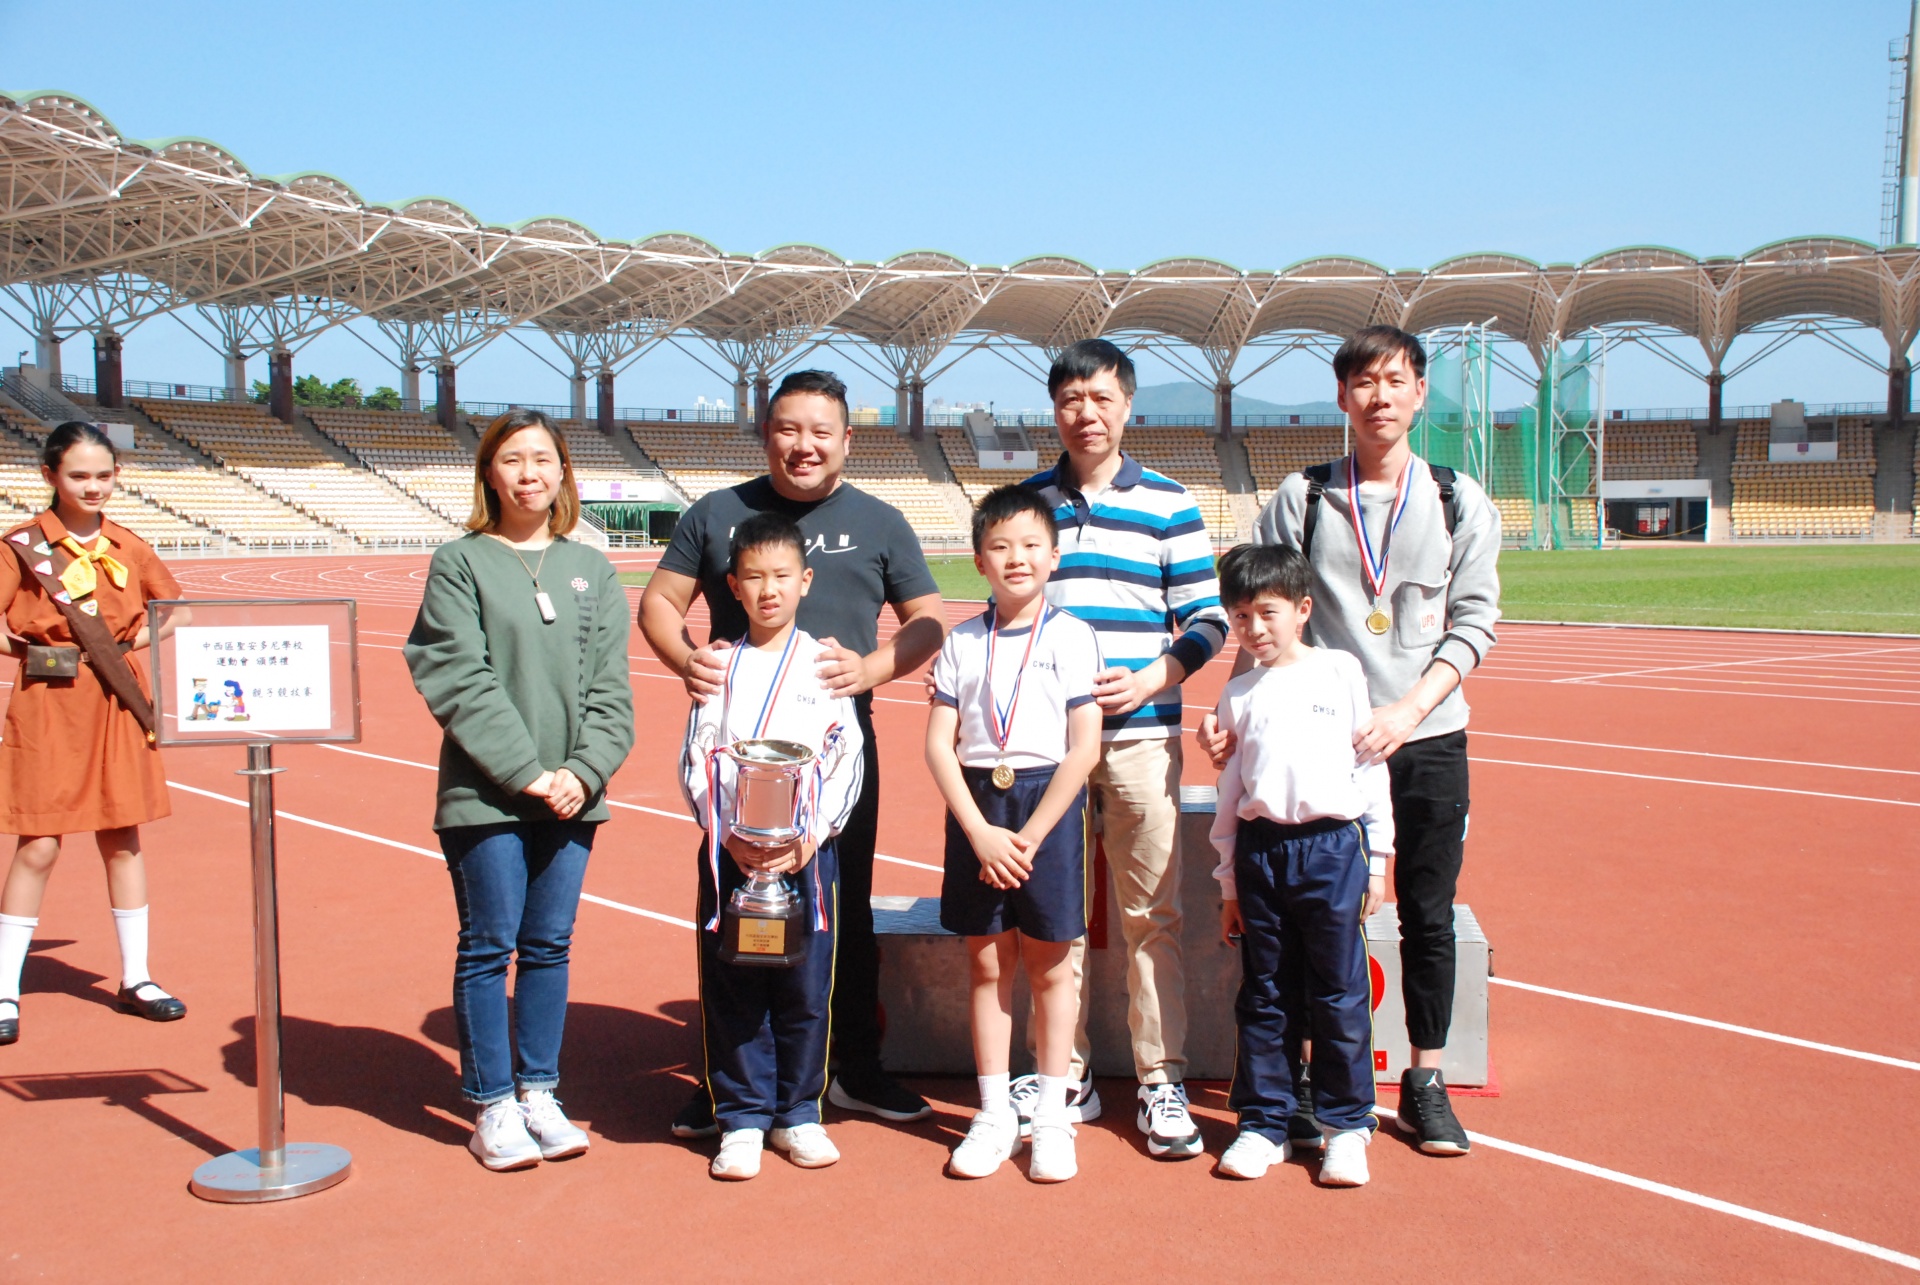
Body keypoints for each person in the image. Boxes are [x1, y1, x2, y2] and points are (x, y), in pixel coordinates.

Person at [1203, 325, 1500, 1156]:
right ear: (1342, 396)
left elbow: (1477, 621)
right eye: (1364, 382)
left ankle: (1426, 1080)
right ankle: (1300, 1083)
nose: (1380, 396)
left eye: (1396, 380)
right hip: (1321, 739)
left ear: (1420, 393)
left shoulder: (1458, 499)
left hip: (1426, 731)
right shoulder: (1301, 498)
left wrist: (1406, 710)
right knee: (1304, 919)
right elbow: (1261, 616)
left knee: (1427, 910)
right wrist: (1232, 715)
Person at [640, 369, 946, 1130]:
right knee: (730, 908)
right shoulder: (717, 513)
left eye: (820, 431)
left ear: (846, 439)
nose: (803, 445)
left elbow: (928, 619)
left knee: (844, 912)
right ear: (766, 433)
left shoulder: (879, 520)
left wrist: (871, 669)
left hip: (835, 757)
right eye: (788, 428)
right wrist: (687, 660)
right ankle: (727, 1083)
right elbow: (658, 602)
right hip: (738, 761)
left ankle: (853, 1068)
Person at [1014, 338, 1229, 1160]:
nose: (1086, 413)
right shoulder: (1028, 504)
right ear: (1055, 409)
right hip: (1046, 749)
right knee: (1053, 919)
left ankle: (1160, 1080)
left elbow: (1208, 620)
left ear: (1127, 405)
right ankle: (1063, 1075)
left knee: (1152, 917)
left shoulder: (1170, 503)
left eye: (1101, 397)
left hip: (1143, 739)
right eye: (1071, 398)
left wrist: (1152, 679)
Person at [405, 409, 635, 1171]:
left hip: (571, 795)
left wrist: (583, 771)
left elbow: (611, 691)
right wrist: (527, 772)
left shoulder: (593, 569)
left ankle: (539, 1091)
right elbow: (456, 675)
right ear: (489, 473)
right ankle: (492, 1103)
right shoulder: (460, 562)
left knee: (548, 945)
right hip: (486, 796)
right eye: (512, 459)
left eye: (542, 458)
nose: (529, 473)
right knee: (488, 945)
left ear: (563, 472)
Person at [680, 512, 865, 1181]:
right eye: (753, 577)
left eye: (781, 575)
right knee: (733, 985)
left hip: (807, 857)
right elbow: (697, 754)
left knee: (806, 987)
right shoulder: (718, 665)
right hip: (731, 854)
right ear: (732, 585)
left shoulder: (825, 664)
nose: (768, 590)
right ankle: (741, 1119)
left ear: (805, 580)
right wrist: (724, 830)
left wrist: (814, 835)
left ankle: (798, 1113)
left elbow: (848, 755)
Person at [925, 486, 1103, 1182]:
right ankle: (996, 1111)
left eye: (1031, 544)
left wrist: (1027, 836)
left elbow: (1083, 748)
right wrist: (979, 832)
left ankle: (1052, 1114)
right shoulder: (962, 642)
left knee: (1051, 966)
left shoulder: (1072, 636)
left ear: (1054, 557)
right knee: (988, 964)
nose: (1016, 558)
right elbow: (939, 745)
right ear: (979, 561)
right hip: (978, 809)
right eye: (1000, 546)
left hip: (1045, 809)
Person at [1208, 544, 1392, 1187]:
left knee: (1339, 990)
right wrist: (1229, 881)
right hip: (1262, 853)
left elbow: (1369, 764)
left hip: (1333, 848)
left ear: (1302, 609)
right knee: (1265, 991)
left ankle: (1346, 1128)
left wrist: (1378, 857)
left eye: (1268, 612)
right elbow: (1231, 790)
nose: (1254, 628)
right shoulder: (1237, 693)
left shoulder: (1340, 671)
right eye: (1240, 616)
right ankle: (1267, 1124)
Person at [0, 422, 187, 1046]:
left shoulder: (128, 544)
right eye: (79, 475)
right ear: (49, 475)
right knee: (38, 844)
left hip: (117, 698)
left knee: (123, 838)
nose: (93, 487)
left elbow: (176, 608)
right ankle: (4, 987)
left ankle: (137, 978)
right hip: (49, 702)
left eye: (104, 475)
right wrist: (35, 654)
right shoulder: (21, 546)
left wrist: (125, 647)